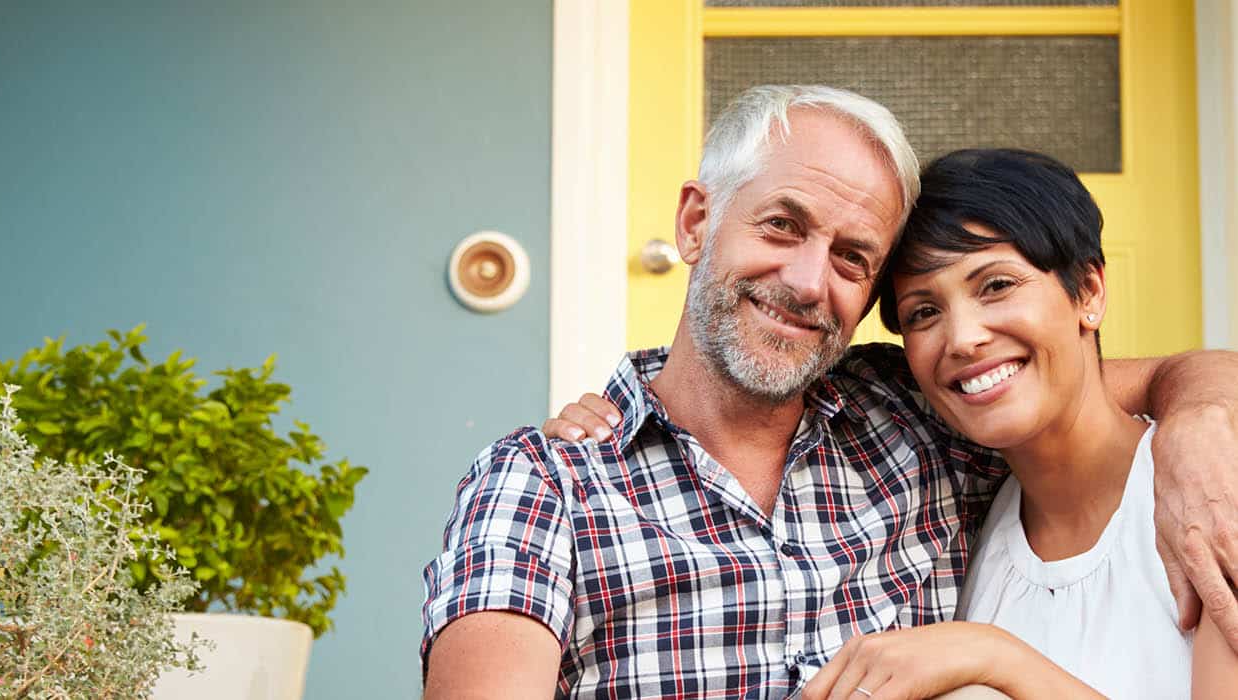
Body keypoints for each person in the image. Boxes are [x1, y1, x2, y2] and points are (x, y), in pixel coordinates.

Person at [422, 85, 1238, 699]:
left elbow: (1069, 384)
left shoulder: (918, 416)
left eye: (853, 258)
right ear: (697, 222)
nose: (810, 282)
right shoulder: (545, 483)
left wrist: (1198, 414)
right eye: (781, 225)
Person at [798, 148, 1238, 698]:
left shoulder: (1211, 494)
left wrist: (996, 657)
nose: (963, 338)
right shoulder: (963, 522)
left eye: (997, 286)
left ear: (1089, 293)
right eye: (923, 312)